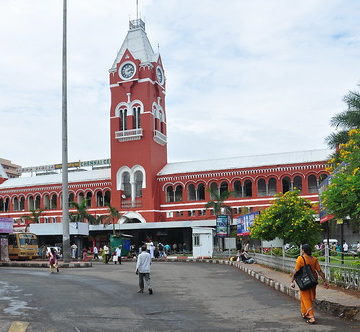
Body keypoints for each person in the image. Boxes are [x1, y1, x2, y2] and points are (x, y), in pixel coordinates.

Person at [290, 244, 328, 324]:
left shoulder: (300, 258)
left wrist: (292, 281)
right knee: (308, 297)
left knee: (305, 298)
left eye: (301, 250)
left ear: (303, 250)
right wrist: (325, 280)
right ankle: (305, 313)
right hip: (313, 281)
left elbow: (296, 271)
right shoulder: (314, 259)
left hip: (304, 282)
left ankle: (311, 317)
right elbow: (319, 271)